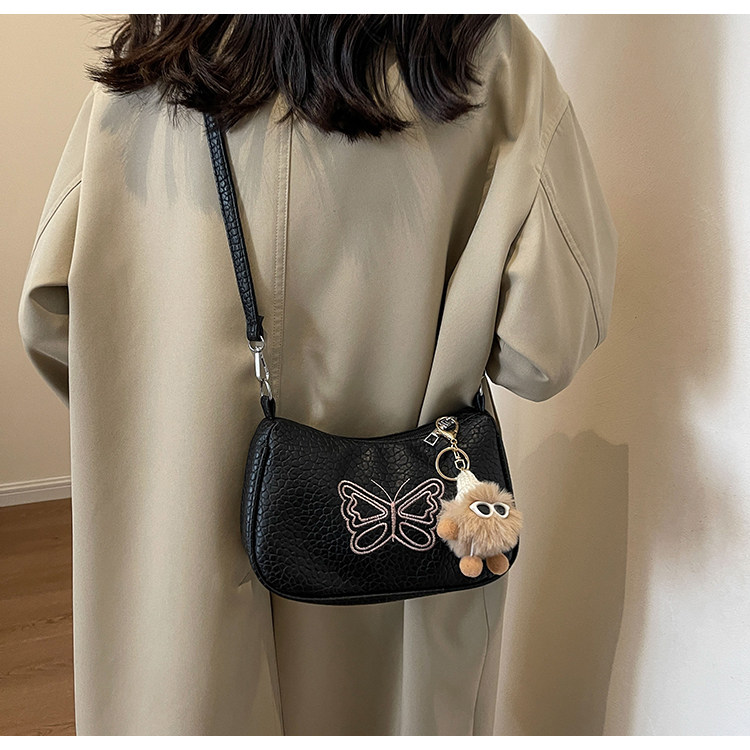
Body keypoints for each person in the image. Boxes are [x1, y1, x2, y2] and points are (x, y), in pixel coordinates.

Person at [17, 14, 618, 735]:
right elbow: (542, 351)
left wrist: (161, 409)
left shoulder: (151, 63)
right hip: (397, 568)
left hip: (177, 560)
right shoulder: (485, 55)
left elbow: (50, 321)